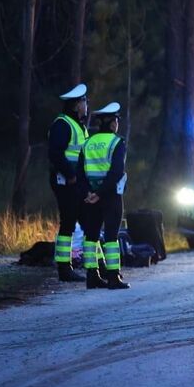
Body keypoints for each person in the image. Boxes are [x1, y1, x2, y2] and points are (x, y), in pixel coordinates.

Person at [77, 102, 130, 290]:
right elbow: (116, 172)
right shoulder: (117, 142)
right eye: (116, 120)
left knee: (90, 236)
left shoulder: (87, 143)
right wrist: (100, 194)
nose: (117, 124)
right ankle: (113, 277)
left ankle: (92, 276)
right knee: (111, 236)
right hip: (110, 196)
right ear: (112, 123)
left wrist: (89, 193)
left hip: (89, 196)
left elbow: (80, 173)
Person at [48, 83, 89, 282]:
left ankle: (92, 267)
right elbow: (55, 153)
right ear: (75, 105)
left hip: (77, 183)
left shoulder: (78, 125)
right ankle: (64, 269)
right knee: (68, 224)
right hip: (66, 182)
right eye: (83, 101)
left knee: (83, 222)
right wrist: (71, 174)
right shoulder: (62, 124)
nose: (86, 104)